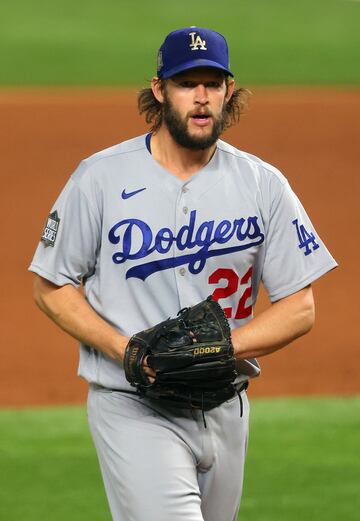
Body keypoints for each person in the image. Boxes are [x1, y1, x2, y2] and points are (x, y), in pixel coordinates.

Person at [29, 27, 337, 521]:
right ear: (159, 90)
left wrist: (221, 349)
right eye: (185, 83)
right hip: (134, 406)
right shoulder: (100, 178)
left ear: (228, 92)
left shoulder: (263, 185)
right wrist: (127, 351)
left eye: (212, 84)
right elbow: (50, 284)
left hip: (226, 405)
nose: (200, 97)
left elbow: (300, 307)